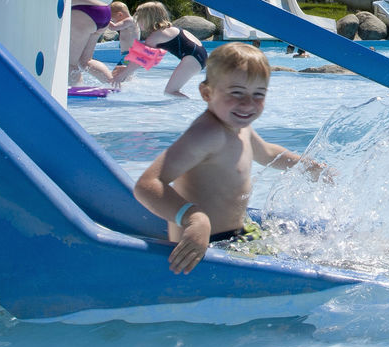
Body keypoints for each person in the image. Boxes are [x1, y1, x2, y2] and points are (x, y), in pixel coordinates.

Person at [133, 43, 325, 274]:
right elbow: (147, 184)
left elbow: (267, 153)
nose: (248, 104)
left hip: (238, 235)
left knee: (317, 249)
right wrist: (194, 219)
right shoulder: (207, 134)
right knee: (318, 265)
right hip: (204, 248)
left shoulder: (239, 127)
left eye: (258, 95)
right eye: (236, 93)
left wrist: (308, 166)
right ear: (207, 93)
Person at [114, 1, 208, 95]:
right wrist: (126, 69)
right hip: (200, 56)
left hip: (193, 59)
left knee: (170, 92)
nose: (137, 22)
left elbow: (140, 60)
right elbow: (150, 59)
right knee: (171, 90)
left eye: (139, 19)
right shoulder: (168, 29)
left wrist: (122, 75)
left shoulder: (155, 36)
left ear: (147, 19)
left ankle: (191, 108)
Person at [68, 0, 116, 86]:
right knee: (85, 62)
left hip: (84, 11)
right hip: (104, 11)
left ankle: (76, 92)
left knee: (70, 63)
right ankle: (113, 85)